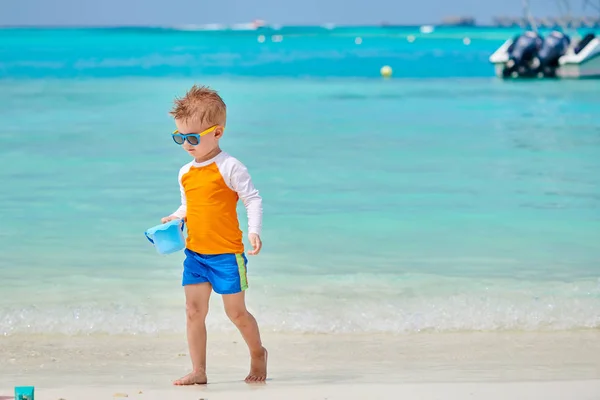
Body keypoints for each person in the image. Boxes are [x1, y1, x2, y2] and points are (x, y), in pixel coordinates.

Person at [161, 84, 267, 385]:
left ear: (217, 133)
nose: (186, 144)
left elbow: (252, 198)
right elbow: (188, 204)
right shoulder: (185, 172)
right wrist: (176, 218)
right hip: (195, 254)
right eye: (179, 137)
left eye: (192, 137)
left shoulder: (230, 167)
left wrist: (254, 230)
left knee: (236, 313)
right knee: (193, 311)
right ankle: (199, 370)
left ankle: (258, 352)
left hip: (227, 255)